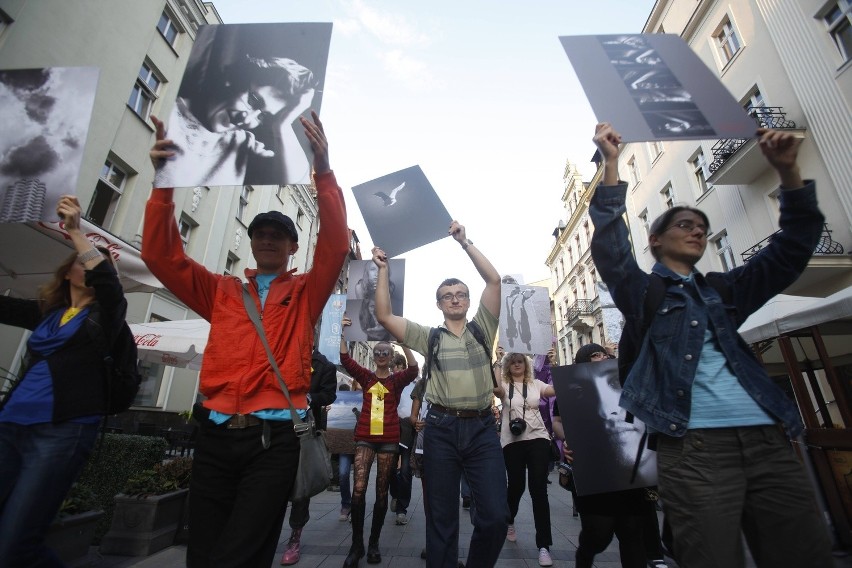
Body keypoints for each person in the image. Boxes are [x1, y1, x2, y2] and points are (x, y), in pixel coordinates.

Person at [589, 122, 833, 568]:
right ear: (655, 240)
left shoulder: (724, 290)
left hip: (769, 440)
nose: (698, 231)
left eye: (702, 226)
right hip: (696, 448)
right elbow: (610, 247)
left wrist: (788, 172)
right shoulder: (643, 294)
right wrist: (610, 164)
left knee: (803, 555)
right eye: (684, 224)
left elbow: (792, 249)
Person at [143, 110, 348, 567]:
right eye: (260, 233)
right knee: (204, 552)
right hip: (215, 436)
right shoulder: (221, 291)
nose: (268, 239)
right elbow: (161, 255)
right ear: (252, 242)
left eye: (279, 235)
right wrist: (164, 180)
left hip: (273, 443)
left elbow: (334, 247)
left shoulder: (304, 294)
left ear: (294, 247)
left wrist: (323, 167)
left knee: (240, 553)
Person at [372, 220, 508, 568]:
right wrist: (383, 270)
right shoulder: (427, 337)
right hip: (441, 430)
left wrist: (465, 242)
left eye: (461, 294)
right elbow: (384, 315)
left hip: (481, 431)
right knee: (442, 520)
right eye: (447, 296)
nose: (455, 299)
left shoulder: (483, 328)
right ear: (439, 304)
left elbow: (494, 280)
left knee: (494, 516)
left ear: (467, 300)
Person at [0, 196, 127, 567]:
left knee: (16, 542)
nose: (93, 264)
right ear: (69, 270)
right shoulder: (46, 312)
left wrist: (74, 230)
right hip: (10, 425)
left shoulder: (107, 316)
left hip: (62, 430)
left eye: (99, 261)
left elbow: (108, 283)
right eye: (86, 258)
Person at [153, 25, 317, 188]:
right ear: (234, 78)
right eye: (253, 100)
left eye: (263, 116)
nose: (248, 119)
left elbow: (293, 178)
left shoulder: (243, 144)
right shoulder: (171, 116)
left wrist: (283, 124)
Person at [552, 343, 661, 568]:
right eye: (595, 355)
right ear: (583, 360)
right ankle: (584, 556)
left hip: (631, 472)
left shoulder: (626, 379)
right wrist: (568, 441)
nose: (602, 357)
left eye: (604, 354)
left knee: (632, 532)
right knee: (598, 533)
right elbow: (558, 421)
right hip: (595, 471)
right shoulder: (572, 388)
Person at [339, 318, 418, 566]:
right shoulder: (365, 376)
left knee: (382, 492)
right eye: (378, 352)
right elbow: (345, 360)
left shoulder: (395, 381)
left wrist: (403, 343)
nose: (382, 355)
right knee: (359, 488)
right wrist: (342, 331)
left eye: (386, 352)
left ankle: (373, 544)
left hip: (389, 440)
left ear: (391, 355)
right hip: (365, 437)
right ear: (374, 356)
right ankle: (356, 545)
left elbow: (414, 369)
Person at [497, 353, 556, 567]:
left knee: (538, 489)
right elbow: (495, 389)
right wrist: (497, 360)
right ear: (507, 366)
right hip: (512, 441)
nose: (516, 365)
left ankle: (543, 545)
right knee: (516, 486)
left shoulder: (535, 383)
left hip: (538, 437)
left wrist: (554, 365)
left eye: (520, 361)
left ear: (526, 364)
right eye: (512, 362)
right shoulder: (503, 383)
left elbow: (554, 390)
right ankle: (509, 519)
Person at [280, 349, 338, 565]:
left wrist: (310, 397)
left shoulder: (324, 365)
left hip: (304, 432)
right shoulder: (284, 354)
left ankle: (294, 537)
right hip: (276, 427)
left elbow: (329, 394)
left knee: (300, 488)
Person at [389, 352, 416, 525]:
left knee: (406, 470)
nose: (396, 371)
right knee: (389, 468)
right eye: (394, 368)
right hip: (391, 427)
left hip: (407, 428)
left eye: (399, 367)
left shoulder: (413, 385)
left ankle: (402, 508)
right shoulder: (389, 383)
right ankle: (395, 493)